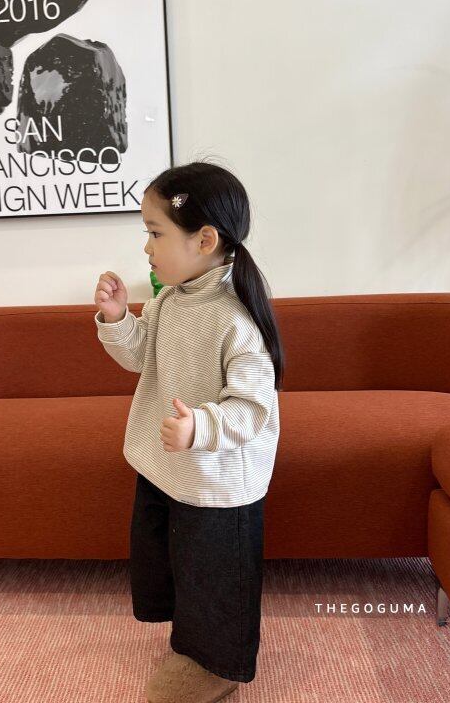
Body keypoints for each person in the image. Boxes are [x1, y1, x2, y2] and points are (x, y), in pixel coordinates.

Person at [93, 160, 284, 703]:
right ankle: (191, 646)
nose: (146, 247)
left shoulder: (235, 319)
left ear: (204, 240)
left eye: (155, 233)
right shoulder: (170, 300)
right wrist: (117, 318)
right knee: (179, 563)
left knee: (216, 573)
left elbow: (253, 408)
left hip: (218, 477)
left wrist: (200, 425)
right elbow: (140, 357)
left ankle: (217, 665)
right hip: (170, 465)